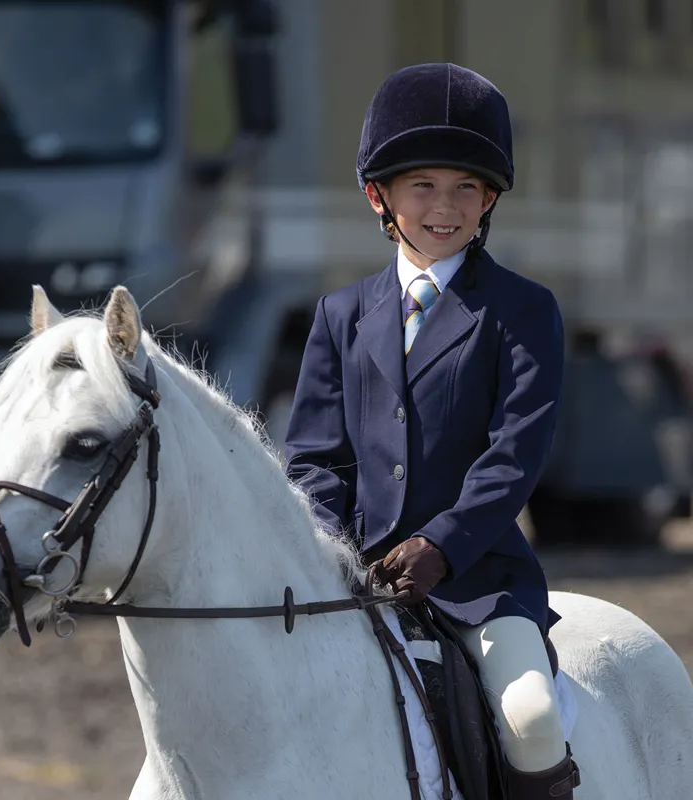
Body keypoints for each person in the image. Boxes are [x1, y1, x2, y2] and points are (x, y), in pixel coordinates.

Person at [285, 63, 580, 799]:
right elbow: (314, 456)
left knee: (532, 716)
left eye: (466, 189)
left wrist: (442, 545)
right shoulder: (340, 315)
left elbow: (515, 453)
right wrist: (336, 550)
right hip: (352, 578)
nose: (445, 208)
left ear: (489, 200)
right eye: (424, 186)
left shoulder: (523, 310)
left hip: (478, 580)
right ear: (378, 196)